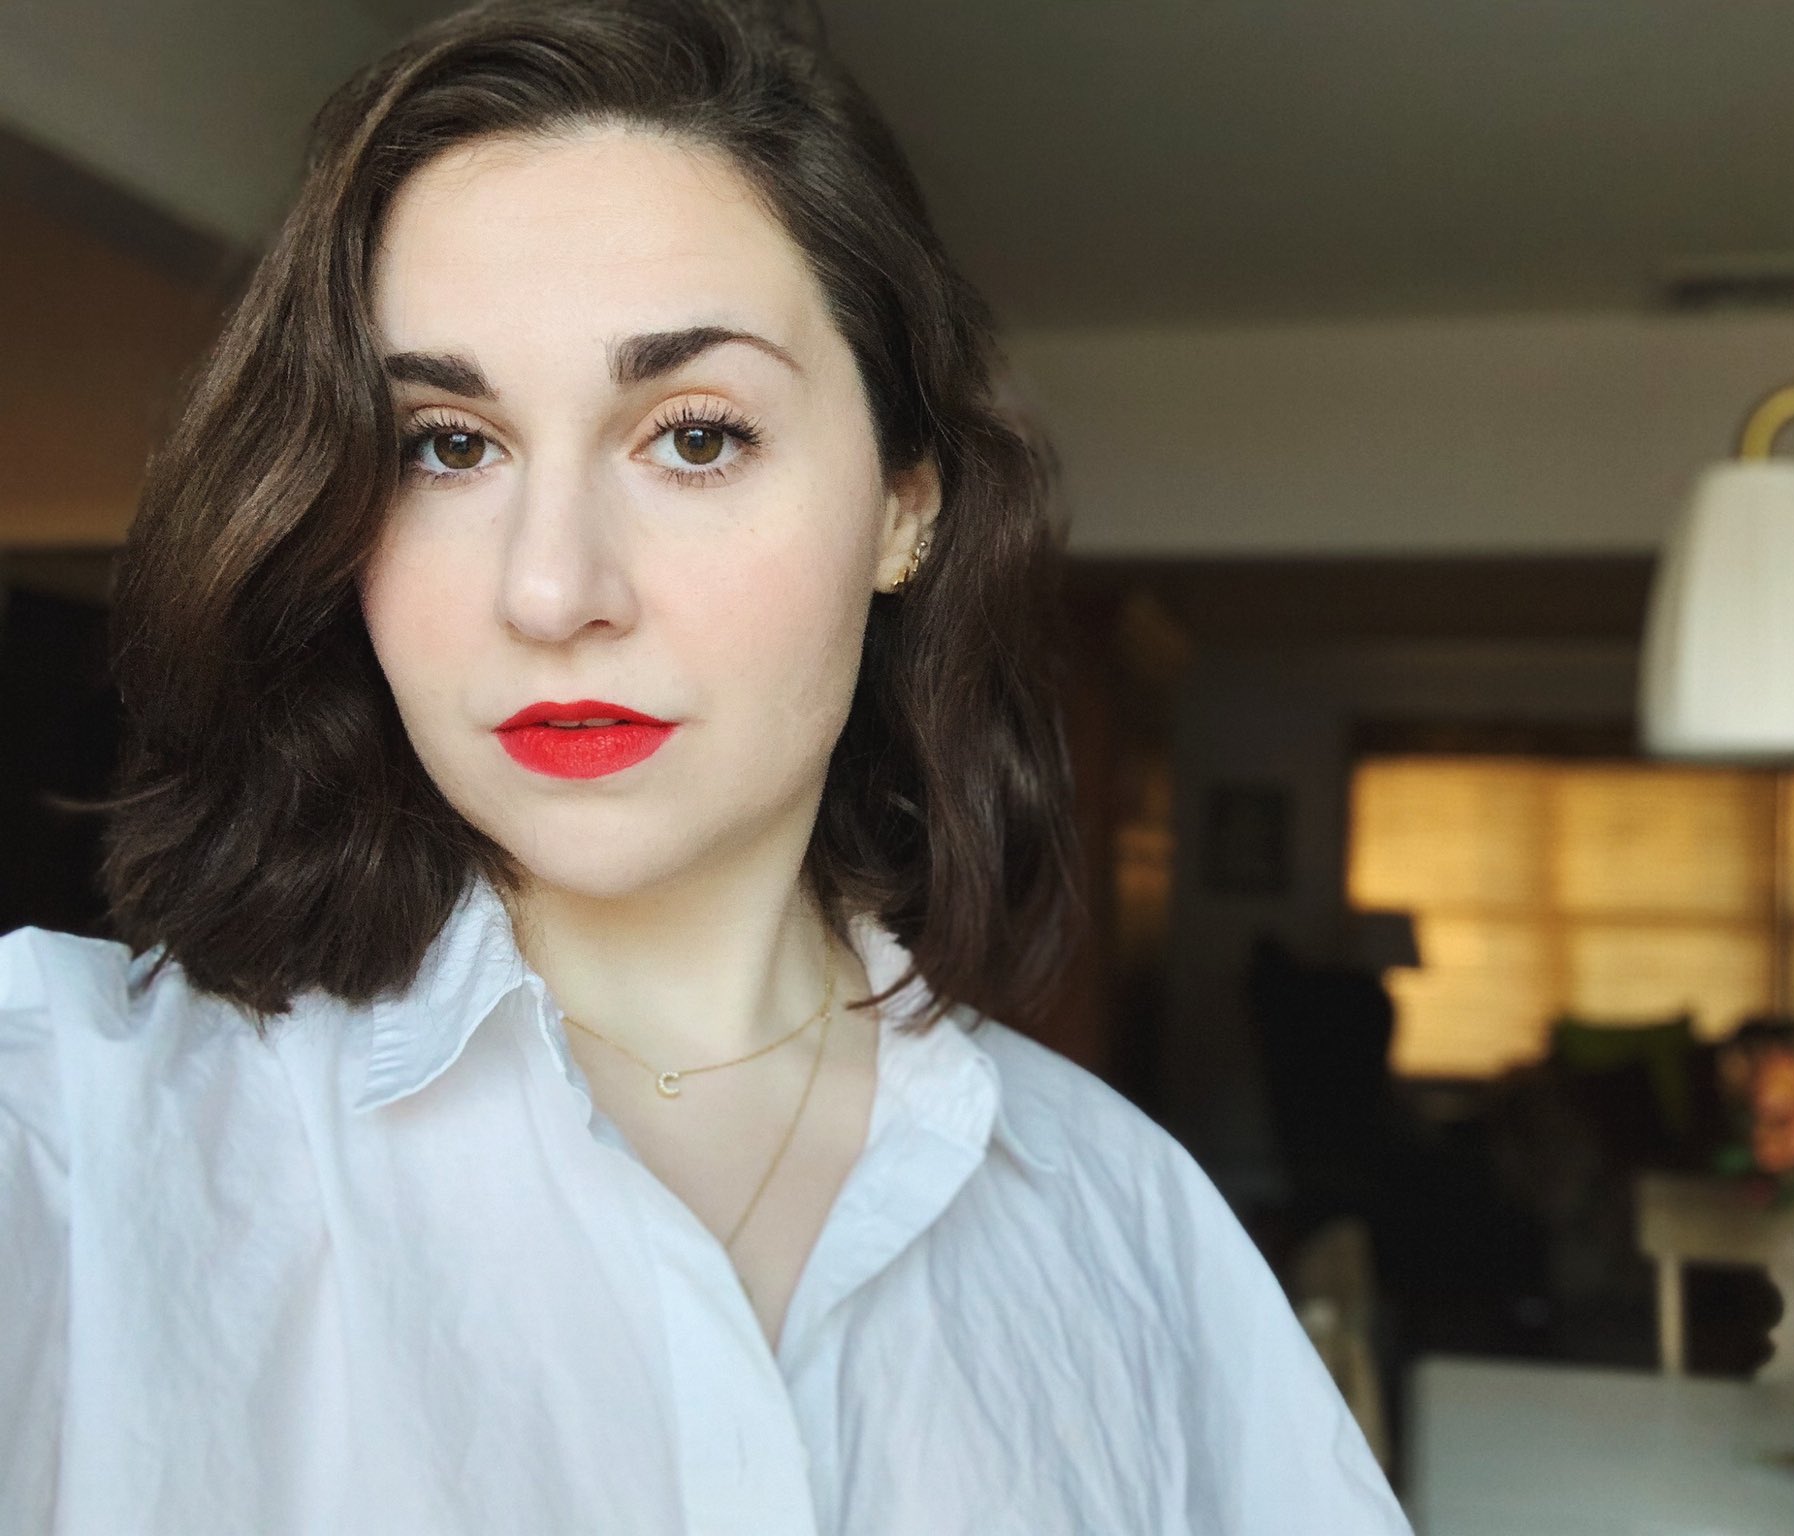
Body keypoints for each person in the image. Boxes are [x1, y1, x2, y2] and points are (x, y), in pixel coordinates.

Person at [0, 3, 1412, 1531]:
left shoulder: (1126, 1224)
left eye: (691, 435)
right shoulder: (71, 1141)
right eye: (447, 446)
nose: (552, 592)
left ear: (904, 507)